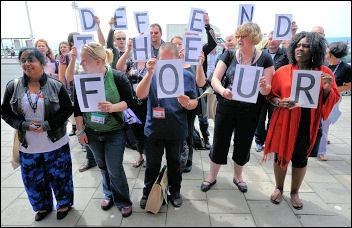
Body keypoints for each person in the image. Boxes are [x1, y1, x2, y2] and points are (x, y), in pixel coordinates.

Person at [264, 32, 340, 209]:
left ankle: (294, 191)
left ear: (314, 49)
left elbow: (332, 99)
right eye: (298, 45)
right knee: (280, 156)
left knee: (300, 159)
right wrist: (279, 102)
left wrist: (328, 89)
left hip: (308, 123)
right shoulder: (283, 71)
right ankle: (278, 188)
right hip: (285, 120)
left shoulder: (325, 72)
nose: (300, 48)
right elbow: (271, 95)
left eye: (305, 45)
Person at [1, 47, 74, 221]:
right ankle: (42, 206)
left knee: (60, 176)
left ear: (42, 63)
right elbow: (5, 112)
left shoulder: (56, 85)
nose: (26, 64)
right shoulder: (13, 86)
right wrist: (23, 125)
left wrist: (48, 125)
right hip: (28, 145)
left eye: (31, 59)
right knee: (33, 180)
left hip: (55, 142)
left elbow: (67, 110)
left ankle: (64, 203)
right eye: (23, 60)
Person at [201, 22, 274, 193]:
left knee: (243, 143)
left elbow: (267, 89)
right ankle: (212, 176)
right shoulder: (229, 55)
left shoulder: (265, 58)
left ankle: (238, 177)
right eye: (238, 35)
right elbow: (215, 79)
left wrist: (264, 85)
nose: (239, 39)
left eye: (244, 36)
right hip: (226, 107)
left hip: (250, 110)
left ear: (254, 38)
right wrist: (222, 90)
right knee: (219, 142)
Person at [73, 42, 133, 217]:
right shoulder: (81, 79)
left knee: (114, 167)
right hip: (91, 132)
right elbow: (77, 108)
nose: (81, 64)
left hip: (115, 131)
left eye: (84, 60)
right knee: (102, 166)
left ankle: (123, 200)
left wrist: (112, 107)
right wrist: (80, 131)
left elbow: (130, 101)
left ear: (98, 61)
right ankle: (109, 194)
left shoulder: (117, 77)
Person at [136, 42, 198, 208]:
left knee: (175, 163)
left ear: (179, 58)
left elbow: (194, 103)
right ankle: (147, 191)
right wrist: (149, 74)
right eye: (162, 61)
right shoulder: (153, 73)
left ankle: (175, 190)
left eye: (170, 61)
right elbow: (140, 95)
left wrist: (187, 103)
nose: (166, 65)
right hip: (154, 128)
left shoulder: (187, 76)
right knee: (152, 164)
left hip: (176, 128)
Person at [254, 26, 297, 152]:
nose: (272, 41)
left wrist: (292, 33)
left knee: (273, 118)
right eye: (270, 38)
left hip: (276, 93)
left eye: (275, 39)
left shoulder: (286, 54)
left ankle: (270, 140)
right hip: (261, 93)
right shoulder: (261, 54)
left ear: (280, 41)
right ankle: (258, 141)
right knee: (260, 119)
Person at [171, 35, 207, 173]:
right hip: (173, 105)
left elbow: (201, 83)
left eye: (181, 44)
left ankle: (188, 161)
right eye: (175, 44)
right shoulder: (170, 62)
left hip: (190, 104)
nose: (179, 47)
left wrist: (199, 64)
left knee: (188, 133)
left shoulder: (193, 62)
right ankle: (176, 158)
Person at [63, 32, 97, 172]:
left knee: (96, 124)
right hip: (80, 95)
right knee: (83, 126)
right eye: (74, 42)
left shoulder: (93, 54)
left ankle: (99, 156)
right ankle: (90, 158)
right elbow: (68, 77)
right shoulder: (71, 57)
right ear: (71, 44)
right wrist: (73, 59)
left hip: (95, 93)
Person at [116, 37, 148, 168]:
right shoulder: (131, 62)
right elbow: (119, 67)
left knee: (147, 130)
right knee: (136, 130)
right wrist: (128, 50)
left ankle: (149, 156)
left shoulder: (151, 63)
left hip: (147, 103)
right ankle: (140, 154)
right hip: (133, 104)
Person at [318, 42, 351, 161]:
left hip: (333, 99)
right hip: (319, 98)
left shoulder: (346, 68)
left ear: (331, 55)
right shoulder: (323, 65)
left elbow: (348, 86)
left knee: (325, 123)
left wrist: (333, 89)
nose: (325, 54)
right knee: (320, 123)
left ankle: (322, 151)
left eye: (326, 52)